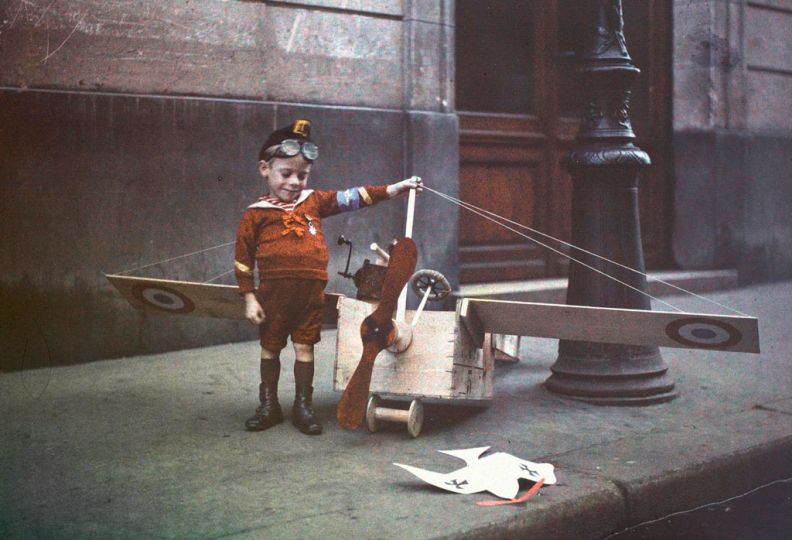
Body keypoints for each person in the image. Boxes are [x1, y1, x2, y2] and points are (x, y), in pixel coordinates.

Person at [234, 119, 422, 435]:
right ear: (265, 168)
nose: (294, 181)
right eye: (286, 173)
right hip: (272, 297)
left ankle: (303, 407)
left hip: (309, 298)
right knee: (270, 348)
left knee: (305, 348)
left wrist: (394, 189)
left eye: (302, 175)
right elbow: (242, 259)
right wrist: (249, 297)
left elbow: (353, 197)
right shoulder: (256, 213)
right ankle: (268, 405)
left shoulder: (313, 201)